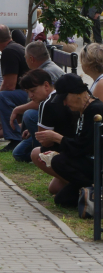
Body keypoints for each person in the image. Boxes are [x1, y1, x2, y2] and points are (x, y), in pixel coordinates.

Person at [30, 74, 103, 209]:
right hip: (90, 161)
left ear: (77, 94)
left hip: (98, 164)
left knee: (58, 161)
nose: (64, 103)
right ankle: (90, 190)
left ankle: (97, 189)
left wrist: (57, 138)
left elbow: (83, 147)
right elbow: (79, 144)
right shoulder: (84, 110)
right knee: (62, 199)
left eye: (65, 98)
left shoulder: (95, 110)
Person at [8, 41, 73, 162]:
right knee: (19, 153)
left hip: (59, 127)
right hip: (52, 123)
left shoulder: (46, 73)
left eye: (25, 58)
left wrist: (17, 109)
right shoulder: (43, 70)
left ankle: (44, 154)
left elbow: (41, 104)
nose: (30, 95)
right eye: (28, 92)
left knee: (29, 114)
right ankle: (36, 148)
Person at [0, 24, 31, 151]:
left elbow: (10, 85)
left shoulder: (9, 52)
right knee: (0, 94)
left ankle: (14, 139)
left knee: (2, 97)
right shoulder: (15, 47)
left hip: (30, 94)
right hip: (30, 92)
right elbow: (7, 81)